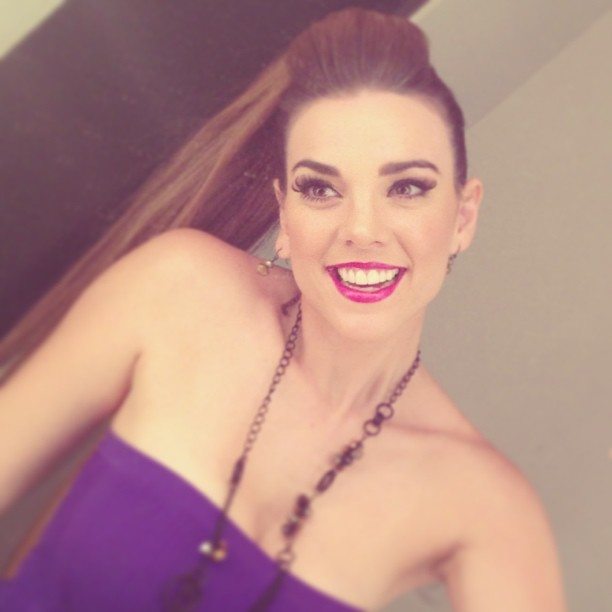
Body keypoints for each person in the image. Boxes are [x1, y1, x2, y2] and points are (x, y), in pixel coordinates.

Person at [0, 6, 567, 612]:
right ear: (286, 218)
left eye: (406, 188)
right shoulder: (180, 290)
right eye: (320, 189)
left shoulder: (480, 505)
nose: (362, 230)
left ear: (463, 217)